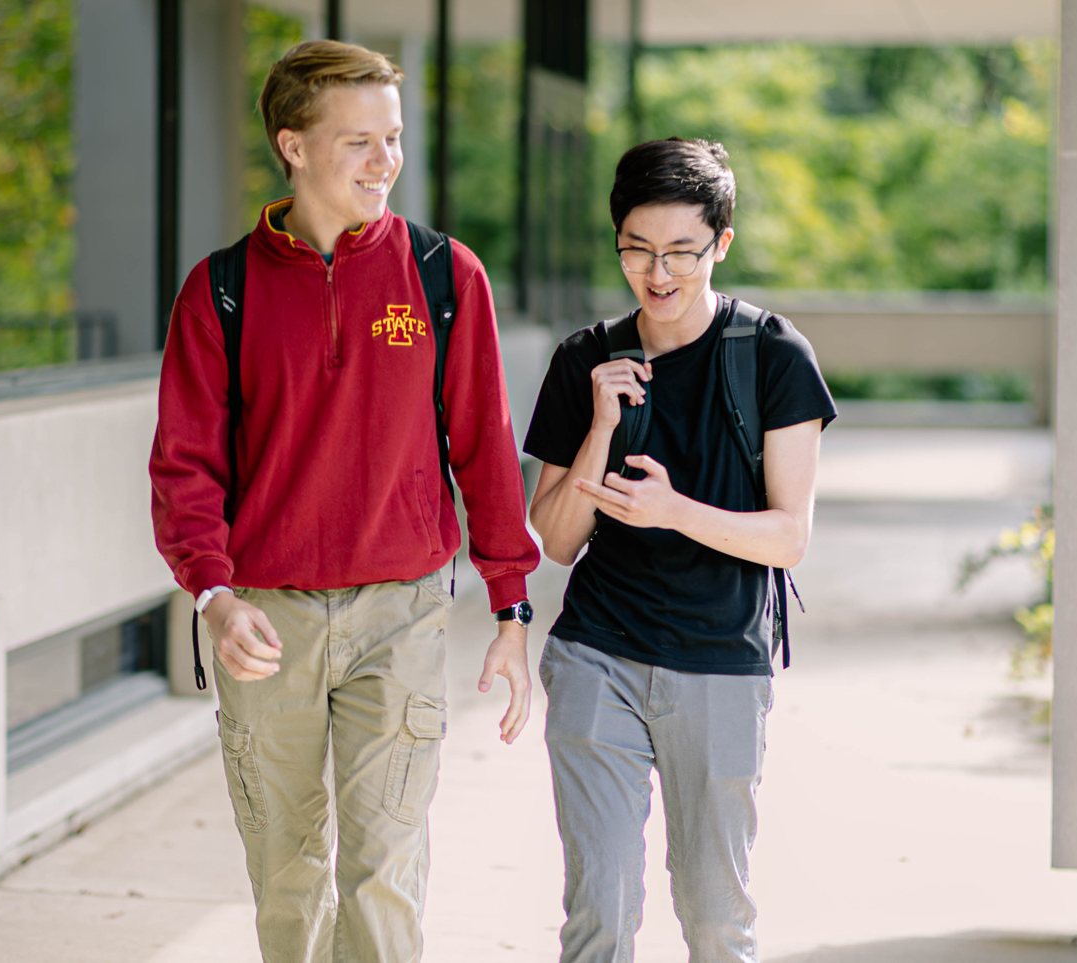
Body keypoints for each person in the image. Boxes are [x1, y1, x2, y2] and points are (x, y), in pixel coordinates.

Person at [148, 40, 540, 963]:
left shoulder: (446, 278)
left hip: (399, 614)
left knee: (383, 869)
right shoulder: (222, 291)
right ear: (293, 145)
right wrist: (213, 591)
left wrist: (510, 605)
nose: (384, 161)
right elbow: (184, 465)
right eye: (359, 141)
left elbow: (484, 451)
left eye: (392, 138)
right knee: (286, 877)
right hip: (265, 621)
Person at [523, 138, 836, 962]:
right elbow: (555, 539)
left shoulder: (772, 356)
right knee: (600, 911)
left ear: (721, 242)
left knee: (713, 918)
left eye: (680, 254)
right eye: (635, 251)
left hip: (719, 665)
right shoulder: (583, 357)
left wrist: (671, 510)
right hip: (597, 654)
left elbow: (788, 536)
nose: (656, 274)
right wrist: (599, 425)